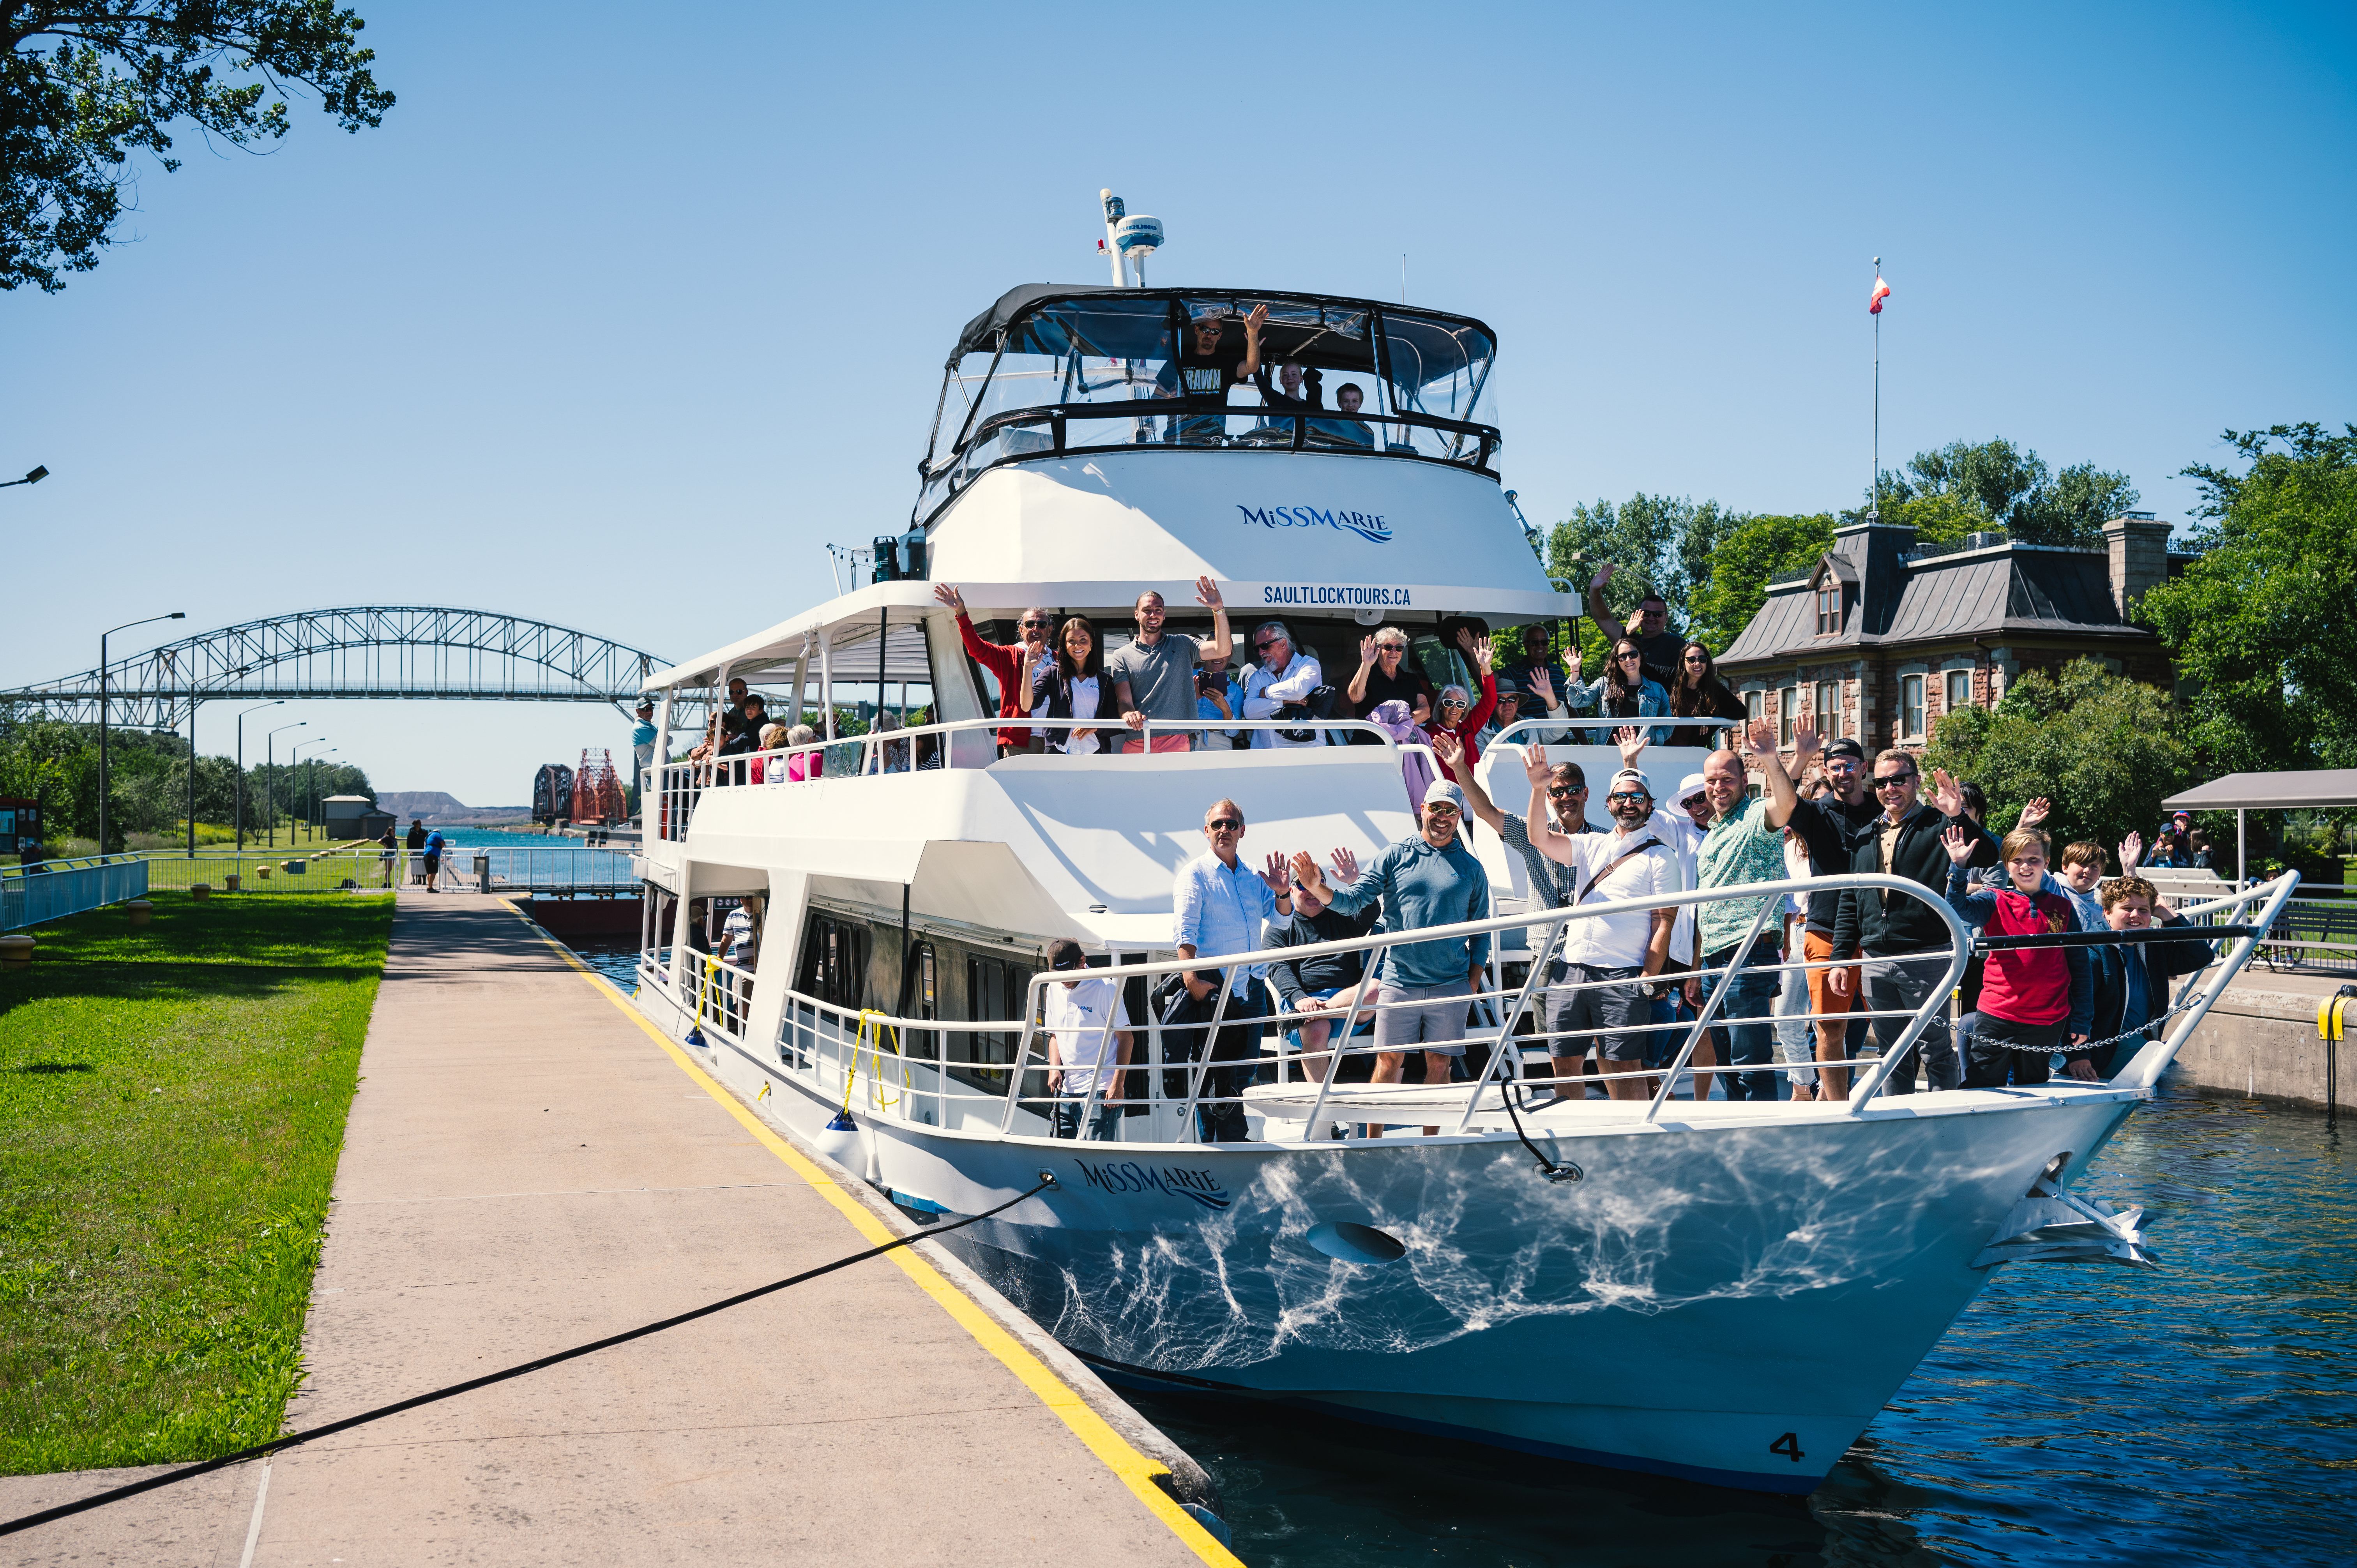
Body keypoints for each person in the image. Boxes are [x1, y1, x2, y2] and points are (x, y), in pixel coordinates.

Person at [1291, 779, 1492, 1137]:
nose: (1443, 817)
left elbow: (1481, 931)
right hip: (1400, 981)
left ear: (1459, 815)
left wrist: (1473, 980)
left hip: (1451, 983)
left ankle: (1434, 1146)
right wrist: (1318, 887)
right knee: (1388, 1063)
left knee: (1440, 1066)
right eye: (1437, 809)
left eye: (1451, 811)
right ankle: (1373, 1145)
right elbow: (1353, 901)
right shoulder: (1395, 855)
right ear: (1423, 810)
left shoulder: (1472, 869)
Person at [1518, 763, 1679, 1100]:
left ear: (1650, 804)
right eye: (1621, 797)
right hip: (1570, 969)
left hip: (1622, 974)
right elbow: (1538, 838)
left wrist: (1648, 978)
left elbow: (1663, 921)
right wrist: (1537, 789)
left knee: (1624, 1065)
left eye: (1637, 796)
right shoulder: (1589, 844)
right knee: (1564, 1062)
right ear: (1608, 803)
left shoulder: (1663, 857)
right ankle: (1573, 1143)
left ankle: (1633, 1145)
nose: (1629, 803)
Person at [1828, 756, 1984, 1094]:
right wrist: (1841, 957)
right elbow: (1850, 900)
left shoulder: (1939, 824)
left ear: (1916, 781)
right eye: (1882, 783)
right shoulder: (1865, 835)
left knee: (1937, 1049)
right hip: (1874, 959)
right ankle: (1897, 1126)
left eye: (1899, 780)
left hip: (1926, 955)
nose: (1890, 789)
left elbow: (1984, 854)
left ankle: (1945, 1124)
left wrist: (1956, 815)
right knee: (1891, 1053)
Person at [1687, 719, 1806, 1101]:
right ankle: (1741, 1132)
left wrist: (1772, 757)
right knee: (1727, 1063)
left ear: (1742, 780)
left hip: (1749, 951)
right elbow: (1706, 904)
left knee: (1750, 1059)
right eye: (1711, 780)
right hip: (1713, 958)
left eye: (1727, 779)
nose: (1718, 787)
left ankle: (1766, 1134)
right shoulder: (1711, 834)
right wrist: (1696, 965)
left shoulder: (1756, 815)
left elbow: (1786, 804)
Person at [1172, 799, 1295, 1142]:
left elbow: (1282, 919)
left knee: (1243, 1072)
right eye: (1218, 825)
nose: (1224, 830)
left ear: (1242, 830)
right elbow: (1185, 931)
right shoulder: (1194, 874)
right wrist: (1191, 980)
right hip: (1216, 991)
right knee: (1212, 1075)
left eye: (1231, 824)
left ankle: (1230, 1142)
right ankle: (1214, 1147)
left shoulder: (1254, 875)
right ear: (1207, 832)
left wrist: (1283, 892)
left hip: (1252, 988)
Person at [1943, 826, 2091, 1088]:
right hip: (1998, 1013)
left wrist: (2082, 1019)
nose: (2026, 866)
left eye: (2034, 860)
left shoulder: (2064, 907)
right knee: (1983, 1085)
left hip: (2048, 1019)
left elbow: (2079, 965)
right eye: (2018, 860)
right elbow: (1957, 908)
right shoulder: (1994, 899)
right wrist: (1959, 868)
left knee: (2034, 1084)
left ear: (2046, 862)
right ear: (2007, 865)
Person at [2069, 876, 2214, 1080]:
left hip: (2141, 1043)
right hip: (2104, 1050)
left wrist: (2166, 913)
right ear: (2107, 913)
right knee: (2175, 1080)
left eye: (2144, 910)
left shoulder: (2152, 946)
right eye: (2127, 908)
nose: (2136, 915)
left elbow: (2202, 955)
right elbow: (2072, 1006)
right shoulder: (2093, 950)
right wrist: (2078, 1055)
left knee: (2176, 1080)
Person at [1266, 849, 1374, 1088]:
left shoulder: (1342, 915)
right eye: (1304, 885)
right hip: (1304, 1003)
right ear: (1291, 890)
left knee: (1375, 990)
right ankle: (1324, 1116)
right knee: (1316, 1030)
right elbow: (1276, 966)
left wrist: (1355, 883)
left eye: (1318, 883)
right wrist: (1299, 999)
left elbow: (1371, 913)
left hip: (1348, 1005)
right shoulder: (1280, 925)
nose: (1312, 891)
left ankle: (1318, 1012)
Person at [1111, 579, 1233, 753]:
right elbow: (1124, 702)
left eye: (1158, 610)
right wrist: (1128, 714)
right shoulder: (1121, 655)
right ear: (1137, 615)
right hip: (1138, 738)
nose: (1153, 615)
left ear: (1164, 615)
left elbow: (1223, 649)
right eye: (1147, 611)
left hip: (1177, 739)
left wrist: (1218, 609)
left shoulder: (1183, 643)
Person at [933, 583, 1055, 757]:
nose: (1035, 629)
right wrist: (961, 613)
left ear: (1049, 630)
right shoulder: (1010, 656)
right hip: (1023, 742)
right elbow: (977, 649)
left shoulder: (1059, 659)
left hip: (1057, 740)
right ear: (1021, 630)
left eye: (1042, 624)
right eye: (1030, 624)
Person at [1042, 938, 1132, 1141]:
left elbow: (1126, 1038)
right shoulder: (1053, 989)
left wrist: (1118, 1084)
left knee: (1095, 1161)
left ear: (1082, 961)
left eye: (1068, 974)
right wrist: (1054, 1068)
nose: (1063, 981)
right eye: (1057, 976)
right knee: (1062, 1156)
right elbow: (1055, 1035)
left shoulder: (1105, 988)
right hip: (1066, 1090)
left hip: (1100, 1089)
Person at [1154, 303, 1268, 444]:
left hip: (1212, 444)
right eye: (1205, 329)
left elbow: (1252, 367)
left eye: (1214, 332)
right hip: (1177, 440)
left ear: (1220, 336)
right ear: (1196, 330)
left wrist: (1253, 332)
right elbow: (1155, 398)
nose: (1209, 335)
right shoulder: (1178, 361)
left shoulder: (1226, 364)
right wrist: (1170, 397)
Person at [1030, 614, 1123, 756]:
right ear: (1065, 646)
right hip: (1059, 753)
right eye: (1071, 641)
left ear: (1091, 642)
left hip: (1096, 754)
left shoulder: (1105, 680)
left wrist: (1094, 727)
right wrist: (1027, 668)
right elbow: (1029, 705)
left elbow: (1114, 725)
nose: (1077, 645)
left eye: (1083, 640)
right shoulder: (1053, 673)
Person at [1423, 628, 1498, 783]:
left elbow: (1490, 701)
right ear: (1441, 706)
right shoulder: (1431, 734)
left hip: (1475, 791)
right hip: (1450, 795)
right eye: (1449, 703)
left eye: (1460, 704)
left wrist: (1486, 669)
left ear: (1465, 708)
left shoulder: (1467, 726)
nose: (1454, 708)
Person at [1586, 563, 1685, 678]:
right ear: (1638, 614)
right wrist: (1594, 590)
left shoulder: (1675, 643)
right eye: (1646, 613)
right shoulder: (1629, 638)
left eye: (1657, 614)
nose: (1651, 618)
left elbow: (1684, 678)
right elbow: (1603, 619)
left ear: (1666, 617)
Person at [1239, 620, 1325, 749]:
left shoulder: (1309, 665)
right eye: (1257, 648)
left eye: (1265, 646)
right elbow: (1249, 711)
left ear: (1283, 644)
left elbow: (1298, 690)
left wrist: (1265, 693)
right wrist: (1283, 702)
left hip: (1308, 752)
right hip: (1268, 757)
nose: (1261, 652)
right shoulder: (1258, 676)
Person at [1571, 637, 1672, 745]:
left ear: (1641, 656)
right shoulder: (1604, 685)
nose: (1628, 659)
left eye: (1633, 654)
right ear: (1617, 660)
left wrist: (1652, 738)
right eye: (1623, 656)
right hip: (1608, 752)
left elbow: (1667, 726)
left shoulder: (1657, 689)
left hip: (1642, 753)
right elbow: (1576, 701)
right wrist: (1575, 670)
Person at [1347, 626, 1436, 735]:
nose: (1394, 652)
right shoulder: (1365, 675)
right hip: (1371, 743)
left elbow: (1425, 711)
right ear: (1378, 649)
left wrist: (1402, 722)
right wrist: (1366, 664)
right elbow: (1355, 698)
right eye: (1389, 647)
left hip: (1403, 746)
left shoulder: (1411, 679)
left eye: (1399, 648)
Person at [1666, 642, 1746, 750]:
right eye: (1692, 660)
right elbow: (1646, 669)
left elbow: (1742, 712)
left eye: (1702, 659)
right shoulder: (1671, 679)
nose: (1698, 664)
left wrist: (1709, 718)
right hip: (1665, 752)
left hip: (1695, 754)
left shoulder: (1714, 688)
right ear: (1683, 663)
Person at [1365, 699, 1441, 811]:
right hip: (1417, 804)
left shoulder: (1370, 737)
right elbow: (1424, 773)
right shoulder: (1420, 737)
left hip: (1379, 800)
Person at [1195, 653, 1243, 750]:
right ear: (1204, 653)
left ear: (1230, 657)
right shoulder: (1187, 676)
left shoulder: (1237, 690)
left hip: (1218, 740)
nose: (1218, 657)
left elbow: (1234, 732)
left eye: (1224, 653)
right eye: (1214, 651)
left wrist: (1225, 708)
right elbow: (1169, 710)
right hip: (1186, 737)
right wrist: (1193, 698)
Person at [1315, 381, 1375, 448]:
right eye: (1346, 401)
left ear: (1360, 403)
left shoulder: (1367, 431)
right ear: (1339, 403)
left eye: (1355, 401)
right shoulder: (1331, 424)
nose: (1350, 405)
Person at [631, 699, 657, 798]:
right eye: (646, 709)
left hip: (662, 772)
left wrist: (664, 738)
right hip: (654, 775)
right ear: (638, 711)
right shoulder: (640, 728)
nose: (650, 712)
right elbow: (660, 744)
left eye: (651, 709)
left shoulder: (652, 726)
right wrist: (663, 737)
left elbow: (670, 740)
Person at [421, 826, 447, 892]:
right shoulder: (437, 834)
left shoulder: (429, 836)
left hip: (426, 854)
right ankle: (430, 888)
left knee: (429, 872)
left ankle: (430, 887)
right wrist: (441, 848)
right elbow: (443, 843)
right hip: (432, 855)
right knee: (434, 871)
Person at [377, 824, 398, 888]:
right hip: (389, 854)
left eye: (394, 831)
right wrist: (385, 846)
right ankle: (388, 883)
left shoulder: (393, 838)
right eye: (393, 831)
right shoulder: (387, 837)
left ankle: (388, 882)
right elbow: (379, 841)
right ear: (390, 831)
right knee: (388, 869)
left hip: (393, 854)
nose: (394, 833)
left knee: (390, 869)